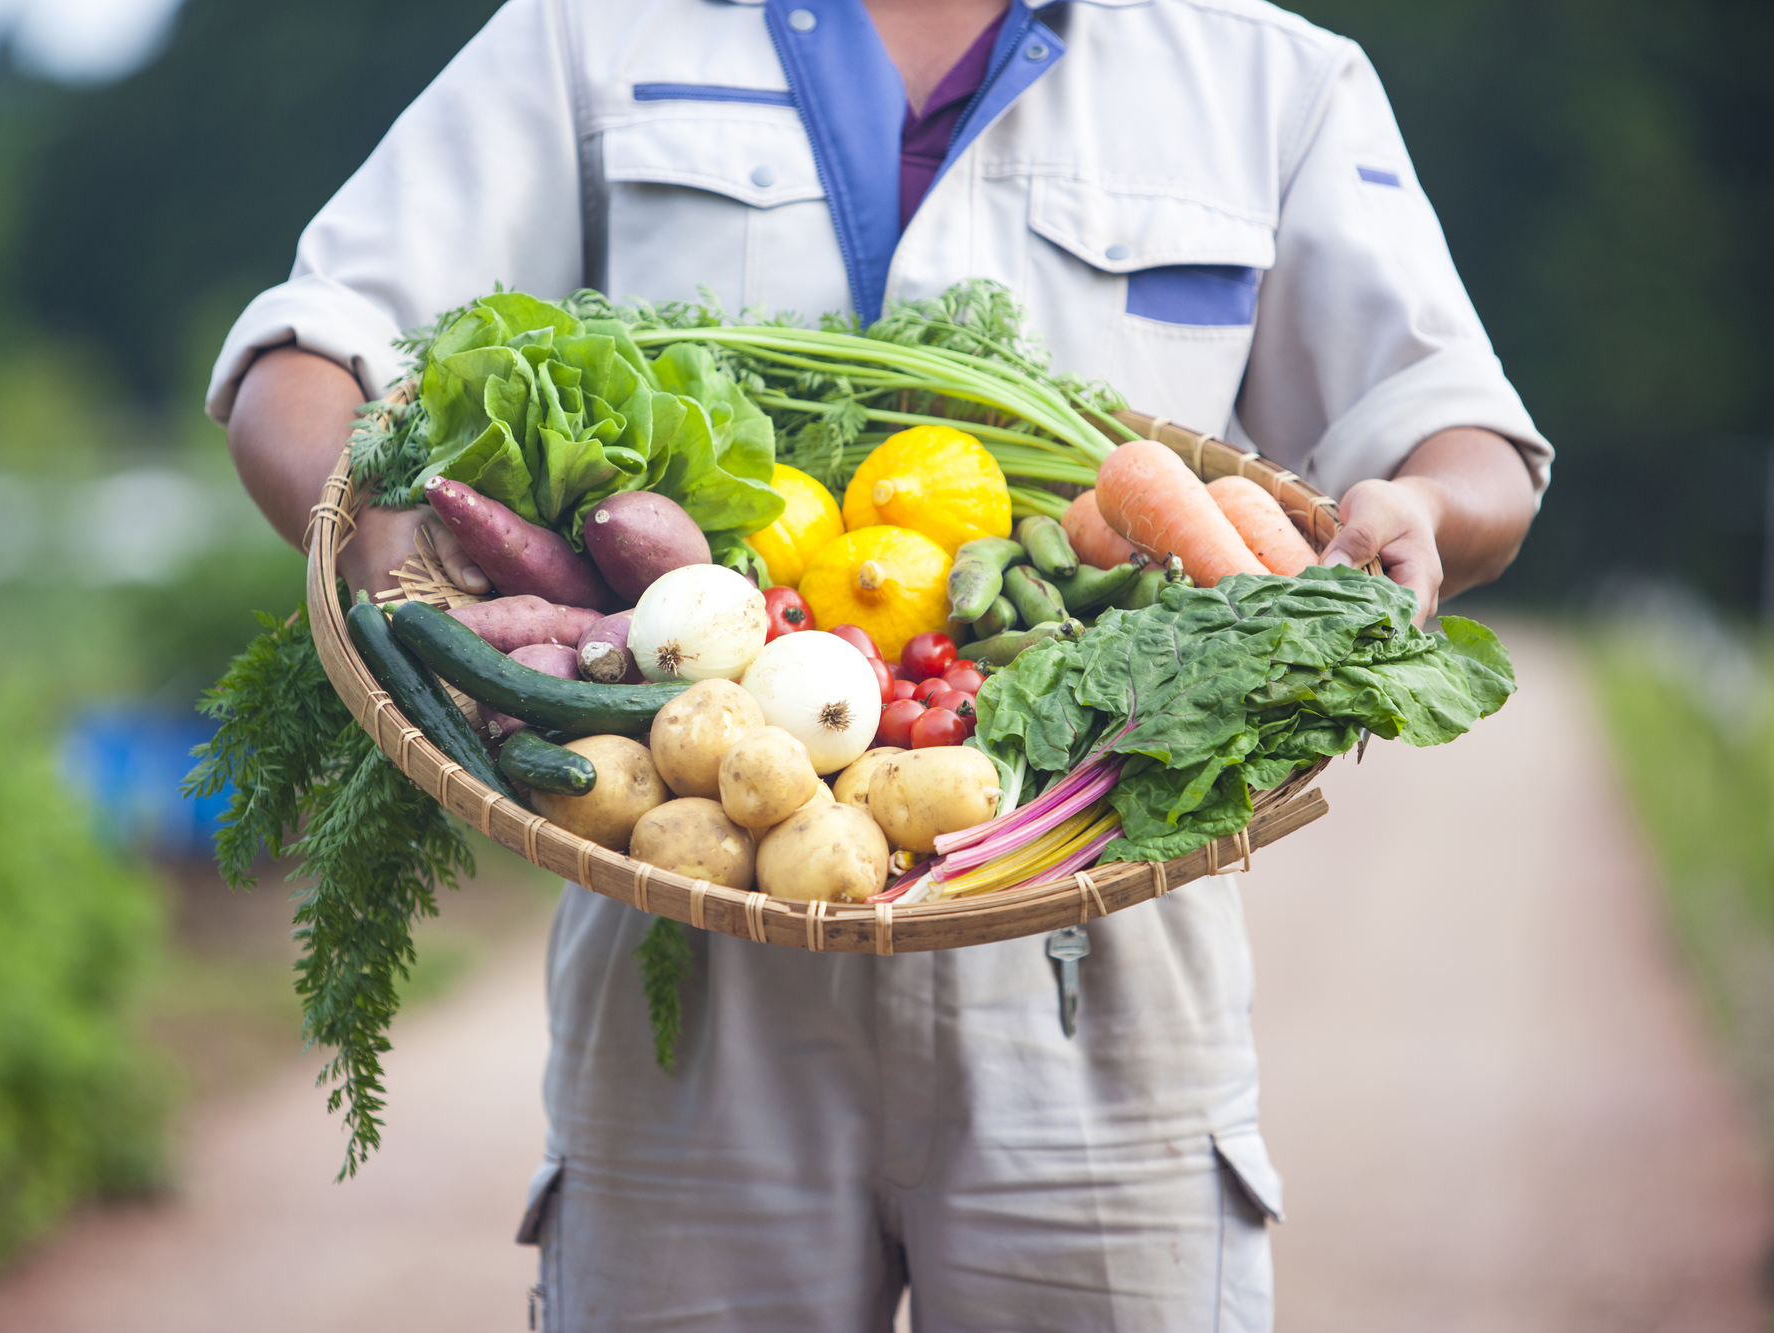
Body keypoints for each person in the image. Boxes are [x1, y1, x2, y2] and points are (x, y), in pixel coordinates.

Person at [211, 1, 1550, 1327]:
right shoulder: (593, 33)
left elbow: (1463, 435)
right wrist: (405, 562)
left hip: (1104, 954)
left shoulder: (1266, 75)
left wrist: (1422, 511)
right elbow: (302, 360)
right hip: (697, 909)